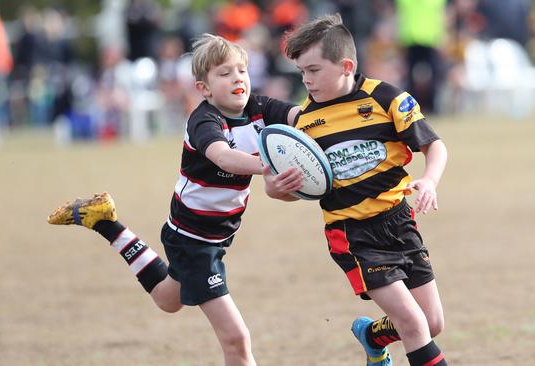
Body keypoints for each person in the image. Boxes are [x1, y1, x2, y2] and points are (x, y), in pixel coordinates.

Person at [47, 34, 301, 366]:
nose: (237, 78)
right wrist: (269, 165)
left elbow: (302, 116)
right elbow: (224, 157)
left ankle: (106, 223)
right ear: (204, 89)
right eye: (224, 73)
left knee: (169, 299)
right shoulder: (204, 120)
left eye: (242, 70)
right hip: (192, 239)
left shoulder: (260, 108)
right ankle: (106, 223)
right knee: (236, 340)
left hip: (215, 236)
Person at [270, 13, 449, 366]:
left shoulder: (388, 100)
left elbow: (435, 146)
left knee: (431, 323)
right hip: (353, 234)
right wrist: (278, 189)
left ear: (346, 65)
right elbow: (297, 187)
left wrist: (429, 180)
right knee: (413, 324)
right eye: (301, 72)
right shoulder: (305, 124)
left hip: (399, 221)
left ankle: (370, 335)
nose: (306, 80)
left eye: (314, 70)